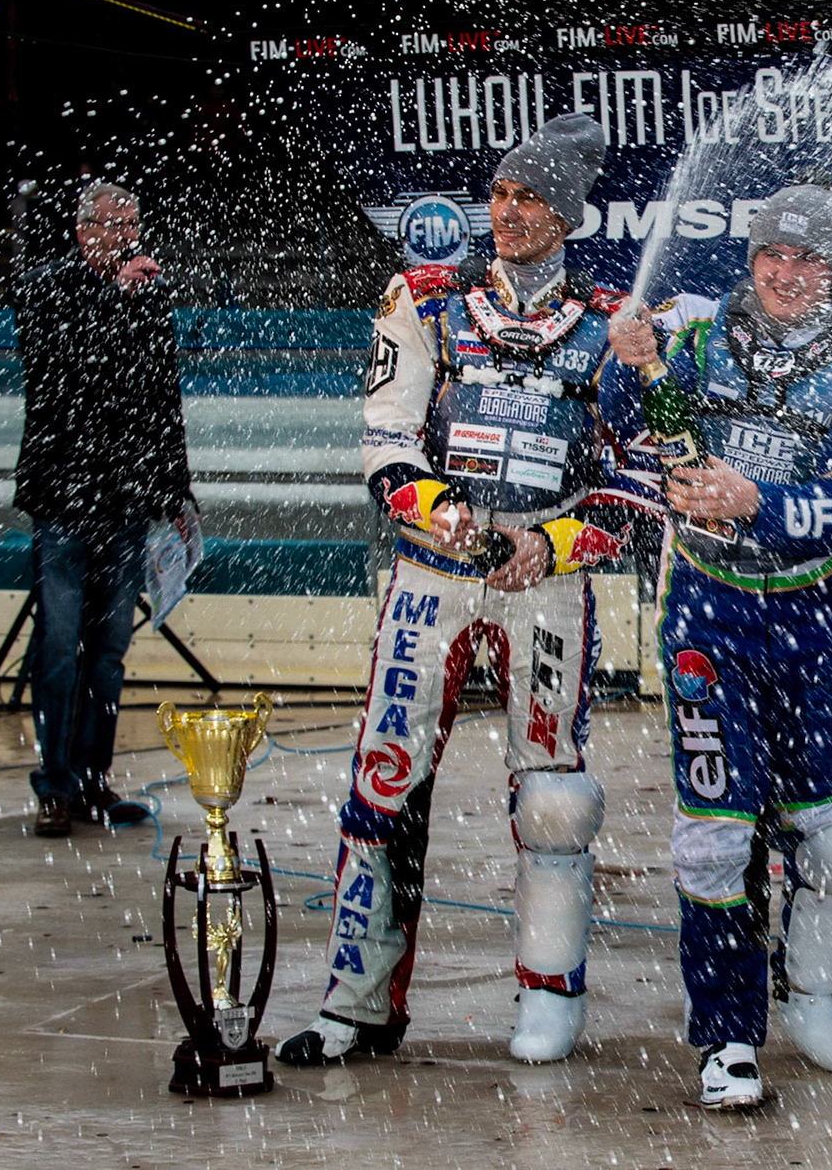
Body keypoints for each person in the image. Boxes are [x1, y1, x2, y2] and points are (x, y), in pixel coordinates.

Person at [276, 114, 654, 1069]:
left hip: (544, 585)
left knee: (555, 802)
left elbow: (641, 477)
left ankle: (550, 997)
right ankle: (357, 1006)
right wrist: (439, 509)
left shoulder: (614, 323)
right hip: (432, 575)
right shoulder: (428, 300)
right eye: (501, 193)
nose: (509, 212)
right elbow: (385, 439)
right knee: (383, 782)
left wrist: (552, 542)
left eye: (532, 198)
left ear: (567, 216)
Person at [603, 182, 832, 1109]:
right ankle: (727, 1034)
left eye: (807, 259)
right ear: (749, 260)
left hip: (816, 623)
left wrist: (759, 504)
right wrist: (626, 360)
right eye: (771, 256)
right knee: (715, 835)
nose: (785, 274)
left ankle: (812, 997)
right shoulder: (690, 326)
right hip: (708, 614)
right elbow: (618, 415)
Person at [13, 182, 189, 839]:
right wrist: (114, 299)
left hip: (124, 497)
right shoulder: (46, 289)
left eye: (133, 225)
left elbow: (161, 393)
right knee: (60, 645)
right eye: (117, 226)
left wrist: (175, 488)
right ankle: (55, 783)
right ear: (84, 229)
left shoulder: (147, 291)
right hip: (63, 496)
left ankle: (92, 778)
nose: (128, 237)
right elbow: (61, 377)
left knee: (110, 648)